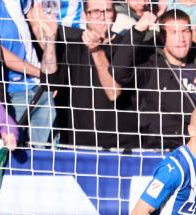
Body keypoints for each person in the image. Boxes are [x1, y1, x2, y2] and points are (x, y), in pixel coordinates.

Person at [112, 9, 196, 149]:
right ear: (162, 37)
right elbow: (119, 71)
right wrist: (138, 30)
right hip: (162, 150)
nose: (181, 38)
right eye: (174, 32)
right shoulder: (152, 68)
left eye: (185, 31)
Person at [49, 0, 138, 148]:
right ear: (84, 16)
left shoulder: (127, 46)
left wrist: (96, 51)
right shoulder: (71, 45)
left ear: (115, 15)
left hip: (122, 145)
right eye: (96, 12)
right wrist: (50, 39)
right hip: (80, 145)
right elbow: (49, 81)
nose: (102, 17)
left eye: (107, 11)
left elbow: (113, 92)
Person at [0, 1, 58, 145]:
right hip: (11, 94)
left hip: (39, 86)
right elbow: (0, 53)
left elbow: (35, 21)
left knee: (49, 155)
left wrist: (49, 69)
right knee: (15, 156)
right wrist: (41, 73)